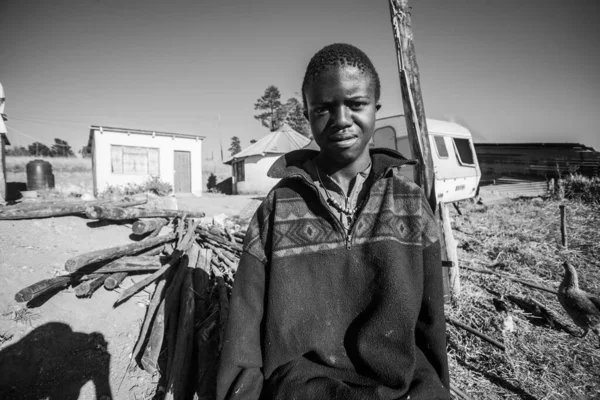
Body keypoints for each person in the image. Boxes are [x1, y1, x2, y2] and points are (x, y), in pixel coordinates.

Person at [216, 43, 449, 400]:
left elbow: (431, 324)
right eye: (323, 108)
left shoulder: (410, 204)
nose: (341, 119)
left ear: (375, 109)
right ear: (308, 116)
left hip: (398, 389)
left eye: (356, 104)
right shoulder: (278, 208)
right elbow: (245, 327)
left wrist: (435, 389)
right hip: (302, 390)